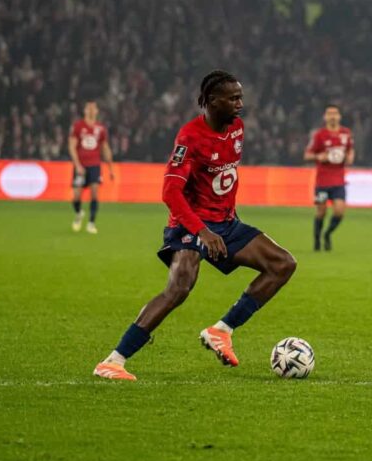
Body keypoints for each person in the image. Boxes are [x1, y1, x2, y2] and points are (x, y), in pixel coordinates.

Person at [93, 70, 297, 381]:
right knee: (178, 289)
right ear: (212, 101)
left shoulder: (237, 128)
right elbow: (170, 193)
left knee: (283, 264)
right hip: (190, 225)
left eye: (241, 97)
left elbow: (223, 179)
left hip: (225, 223)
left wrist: (225, 219)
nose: (240, 104)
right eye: (233, 98)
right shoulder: (190, 138)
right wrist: (202, 231)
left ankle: (222, 330)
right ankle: (113, 361)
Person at [304, 104, 354, 251]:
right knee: (321, 212)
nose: (333, 116)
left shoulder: (346, 133)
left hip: (339, 182)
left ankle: (327, 234)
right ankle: (317, 239)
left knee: (339, 212)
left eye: (335, 113)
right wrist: (319, 156)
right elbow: (307, 155)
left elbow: (350, 150)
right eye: (330, 113)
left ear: (339, 116)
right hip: (322, 183)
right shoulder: (319, 135)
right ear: (325, 117)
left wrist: (350, 157)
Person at [69, 101, 115, 234]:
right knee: (76, 196)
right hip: (81, 166)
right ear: (84, 110)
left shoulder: (100, 128)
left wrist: (111, 168)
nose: (90, 110)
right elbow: (72, 146)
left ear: (96, 111)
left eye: (93, 108)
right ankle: (79, 213)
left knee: (94, 192)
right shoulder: (78, 126)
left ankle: (91, 223)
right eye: (88, 108)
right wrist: (77, 165)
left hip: (95, 165)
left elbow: (105, 148)